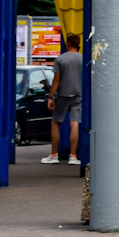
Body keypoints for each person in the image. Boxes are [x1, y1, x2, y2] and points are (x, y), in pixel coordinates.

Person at [42, 34, 84, 165]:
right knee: (75, 123)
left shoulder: (61, 59)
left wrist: (50, 97)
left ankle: (54, 155)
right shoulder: (83, 59)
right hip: (78, 95)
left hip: (63, 95)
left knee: (55, 123)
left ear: (68, 44)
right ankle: (73, 156)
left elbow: (56, 80)